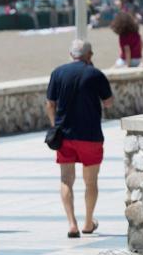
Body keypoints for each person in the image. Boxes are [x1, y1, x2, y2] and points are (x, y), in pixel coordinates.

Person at [46, 40, 114, 239]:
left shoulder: (58, 73)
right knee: (90, 181)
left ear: (70, 54)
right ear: (89, 55)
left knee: (66, 179)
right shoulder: (95, 74)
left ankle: (72, 224)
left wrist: (54, 125)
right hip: (91, 136)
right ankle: (88, 222)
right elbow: (108, 102)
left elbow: (50, 104)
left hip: (64, 136)